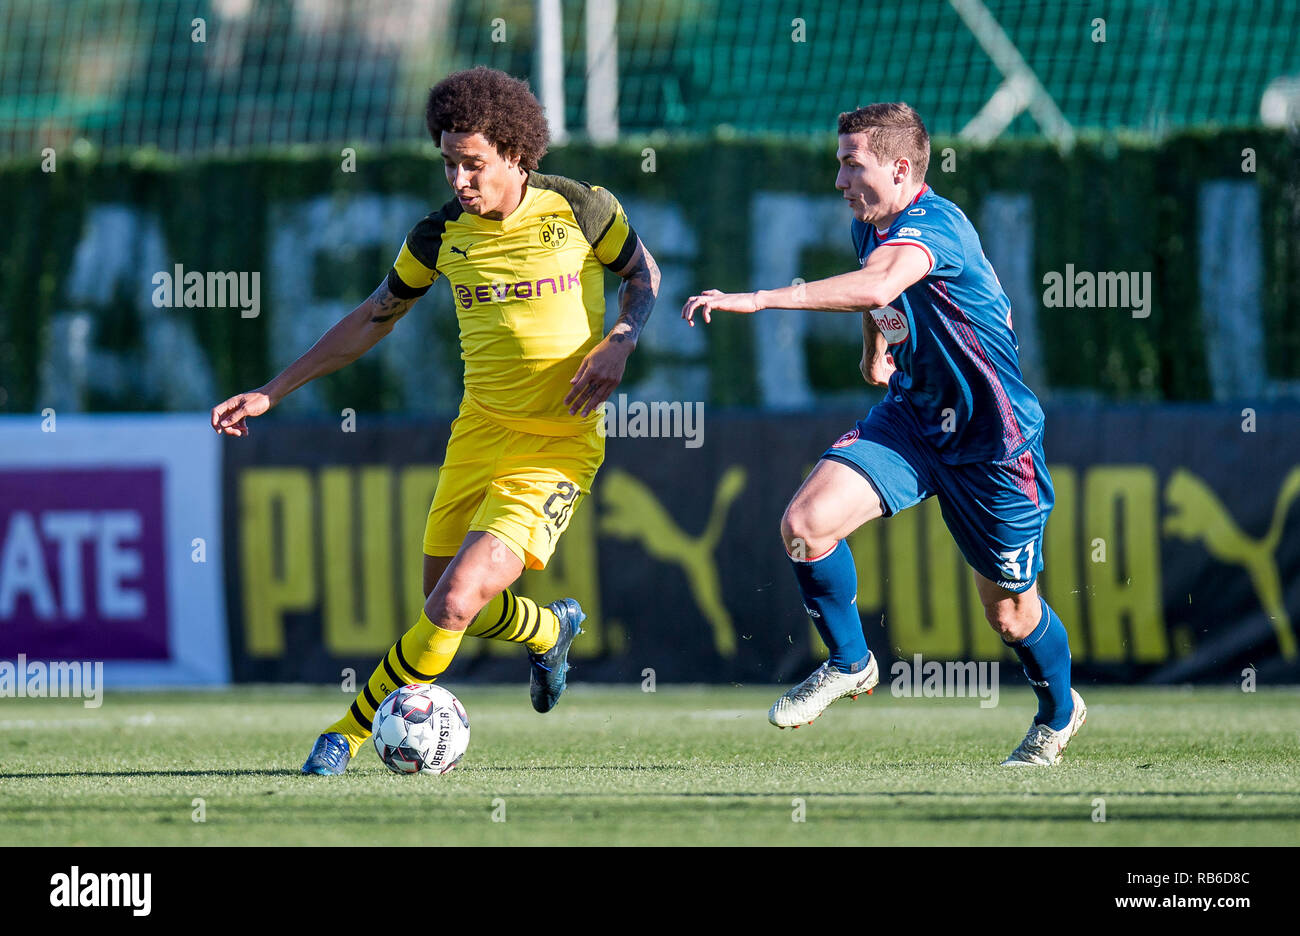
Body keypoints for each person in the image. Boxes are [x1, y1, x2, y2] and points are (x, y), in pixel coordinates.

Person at [211, 67, 660, 775]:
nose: (459, 177)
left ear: (515, 153)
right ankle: (548, 630)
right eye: (449, 161)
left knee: (453, 601)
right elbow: (371, 318)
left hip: (557, 445)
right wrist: (274, 390)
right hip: (477, 435)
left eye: (473, 163)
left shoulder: (581, 207)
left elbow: (643, 275)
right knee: (449, 606)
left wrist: (622, 340)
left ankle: (346, 732)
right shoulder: (439, 235)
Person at [681, 103, 1084, 766]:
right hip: (915, 419)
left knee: (1010, 615)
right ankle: (850, 661)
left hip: (994, 443)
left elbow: (884, 280)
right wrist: (877, 351)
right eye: (839, 162)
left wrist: (758, 300)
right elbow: (880, 295)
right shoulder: (869, 223)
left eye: (851, 163)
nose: (839, 179)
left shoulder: (938, 224)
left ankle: (1059, 713)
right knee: (806, 525)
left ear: (900, 169)